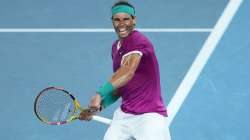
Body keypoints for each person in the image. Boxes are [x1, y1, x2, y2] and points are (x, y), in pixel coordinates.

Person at [79, 1, 171, 140]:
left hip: (149, 117)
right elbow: (120, 87)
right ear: (112, 21)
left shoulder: (139, 41)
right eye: (117, 19)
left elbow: (127, 72)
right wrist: (98, 108)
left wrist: (99, 93)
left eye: (126, 19)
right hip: (124, 116)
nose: (121, 24)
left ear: (134, 20)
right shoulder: (115, 47)